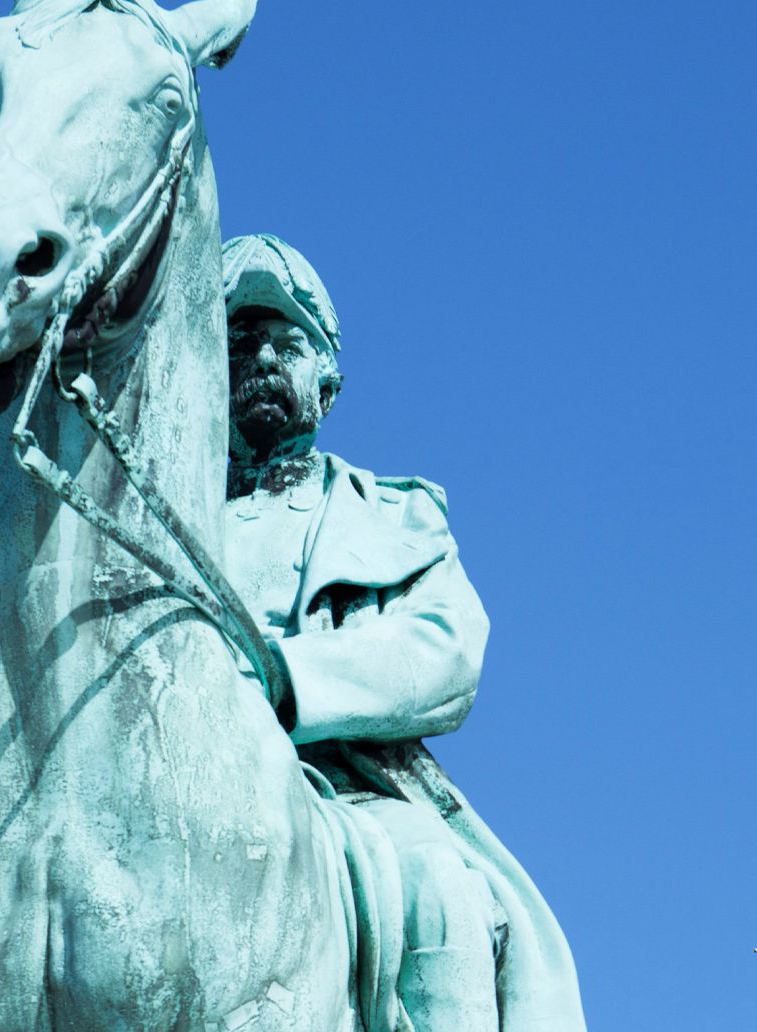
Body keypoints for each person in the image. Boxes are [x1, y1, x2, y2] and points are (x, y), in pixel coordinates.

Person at [216, 234, 584, 1031]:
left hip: (347, 791)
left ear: (328, 379)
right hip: (178, 773)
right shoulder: (158, 515)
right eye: (241, 344)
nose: (264, 360)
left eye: (288, 343)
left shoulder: (394, 517)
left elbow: (446, 652)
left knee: (440, 891)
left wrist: (291, 678)